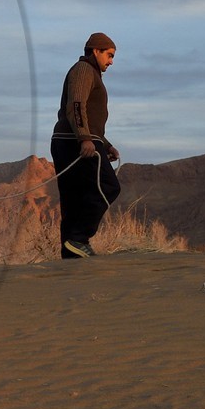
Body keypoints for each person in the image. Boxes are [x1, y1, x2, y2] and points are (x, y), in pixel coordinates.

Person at [51, 32, 121, 258]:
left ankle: (71, 254)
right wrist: (85, 138)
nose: (111, 61)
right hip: (75, 142)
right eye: (109, 55)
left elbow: (90, 116)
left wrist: (106, 144)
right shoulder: (83, 70)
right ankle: (79, 238)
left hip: (72, 140)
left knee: (74, 198)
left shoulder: (91, 73)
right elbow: (77, 106)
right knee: (109, 186)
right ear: (95, 51)